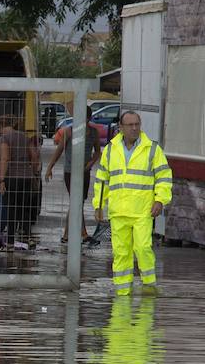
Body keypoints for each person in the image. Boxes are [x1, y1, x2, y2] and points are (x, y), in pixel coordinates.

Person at [92, 110, 172, 295]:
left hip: (142, 210)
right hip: (119, 211)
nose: (134, 128)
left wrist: (160, 200)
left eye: (137, 124)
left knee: (143, 248)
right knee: (121, 253)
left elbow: (164, 177)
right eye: (130, 125)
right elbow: (102, 179)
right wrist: (98, 204)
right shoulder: (111, 150)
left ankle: (149, 286)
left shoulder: (152, 149)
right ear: (121, 128)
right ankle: (122, 291)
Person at [44, 115, 106, 243]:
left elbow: (97, 152)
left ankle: (68, 235)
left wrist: (90, 164)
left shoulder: (93, 133)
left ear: (89, 118)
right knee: (75, 202)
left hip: (84, 172)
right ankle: (82, 234)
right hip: (70, 172)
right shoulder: (69, 131)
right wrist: (50, 167)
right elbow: (59, 150)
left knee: (78, 202)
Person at [0, 114, 39, 250]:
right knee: (24, 208)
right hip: (26, 177)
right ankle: (29, 238)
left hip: (12, 177)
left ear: (1, 126)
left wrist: (2, 180)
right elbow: (34, 156)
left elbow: (5, 159)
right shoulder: (24, 137)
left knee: (11, 209)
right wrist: (33, 173)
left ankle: (9, 243)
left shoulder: (4, 138)